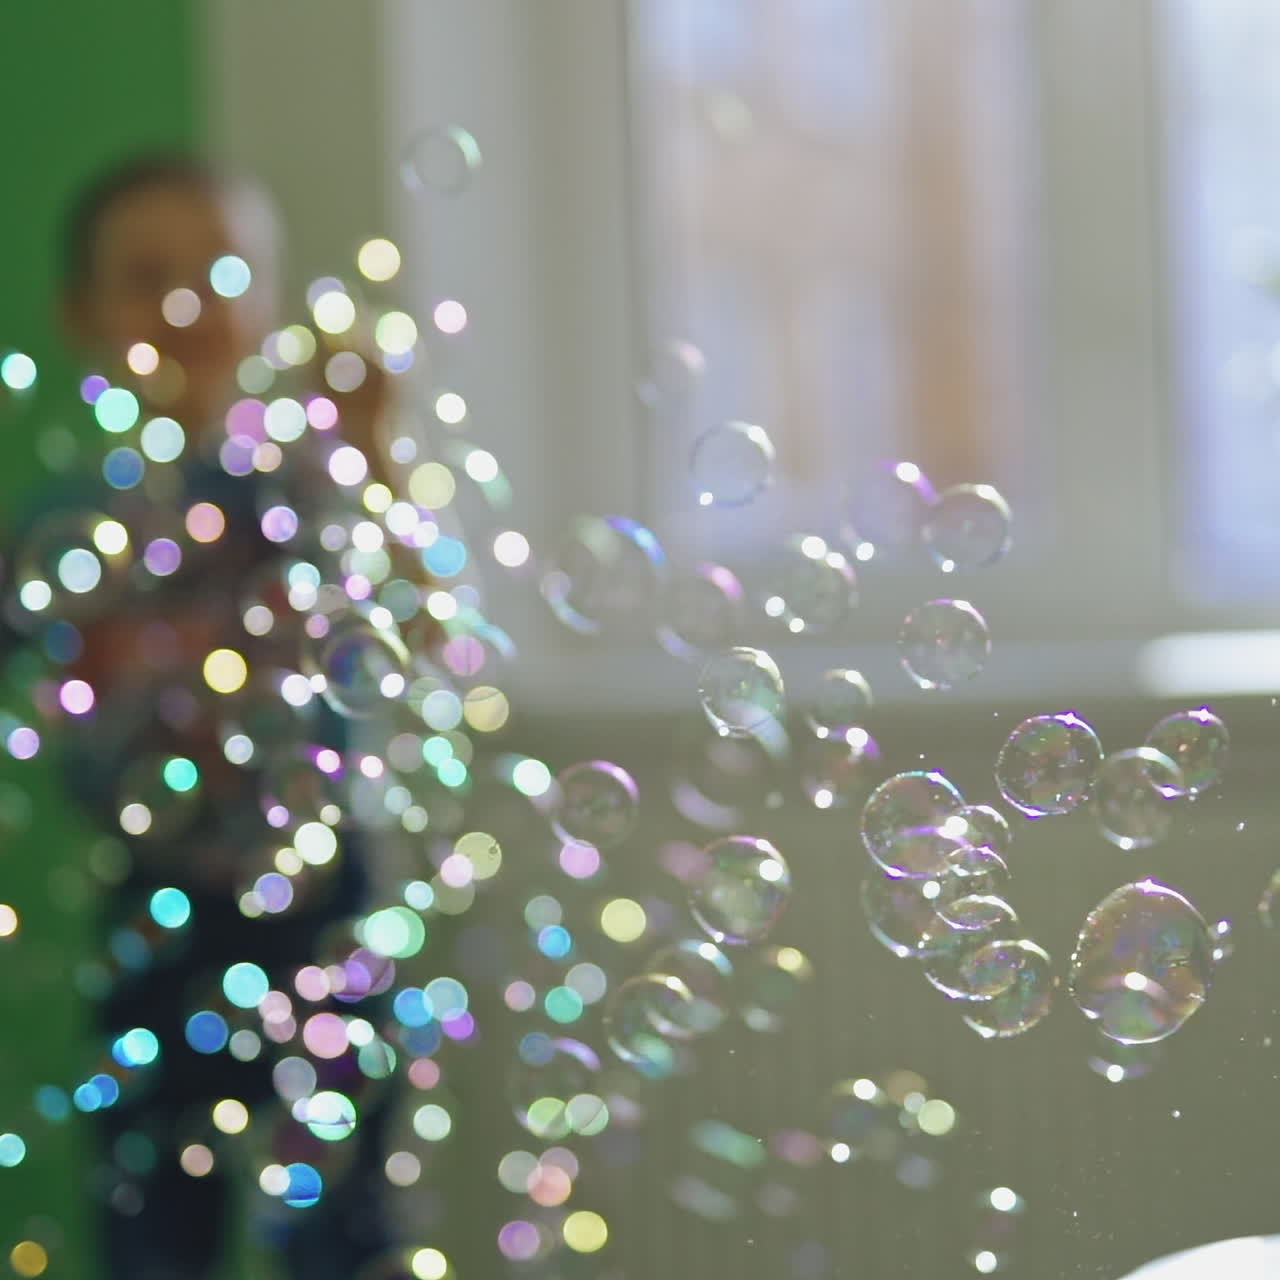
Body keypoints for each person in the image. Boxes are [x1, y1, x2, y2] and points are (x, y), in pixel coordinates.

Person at [9, 152, 412, 1278]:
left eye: (222, 271)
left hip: (327, 918)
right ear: (82, 316)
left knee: (341, 1235)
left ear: (269, 302)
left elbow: (412, 640)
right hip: (152, 916)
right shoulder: (63, 519)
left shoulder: (311, 485)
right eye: (147, 276)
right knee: (151, 1234)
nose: (189, 305)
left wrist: (372, 452)